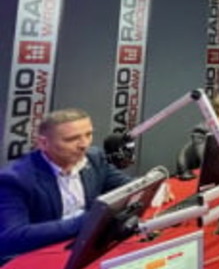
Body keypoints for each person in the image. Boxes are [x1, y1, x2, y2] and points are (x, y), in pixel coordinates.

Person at [0, 109, 134, 264]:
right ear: (43, 143)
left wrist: (150, 187)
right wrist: (90, 221)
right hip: (39, 255)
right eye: (72, 139)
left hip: (84, 246)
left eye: (88, 135)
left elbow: (128, 187)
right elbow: (12, 237)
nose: (84, 145)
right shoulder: (13, 179)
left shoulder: (94, 158)